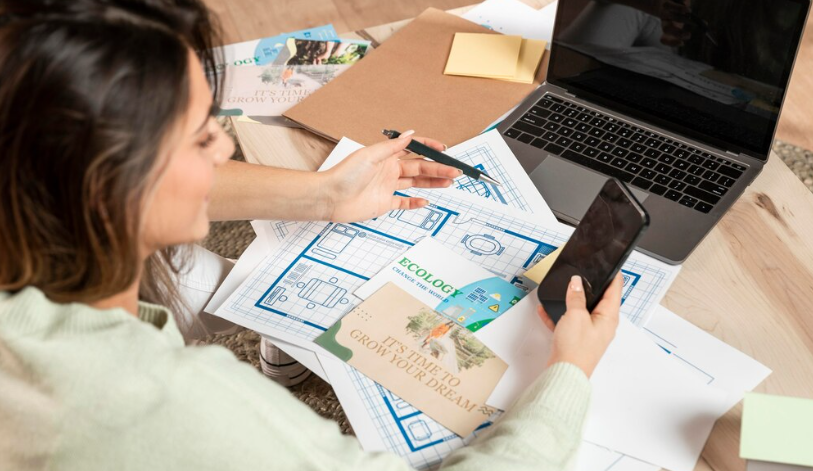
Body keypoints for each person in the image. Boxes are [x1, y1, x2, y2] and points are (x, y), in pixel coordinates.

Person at [0, 0, 622, 469]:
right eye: (197, 137)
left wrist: (325, 194)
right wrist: (567, 373)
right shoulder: (172, 403)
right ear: (106, 191)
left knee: (204, 275)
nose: (224, 146)